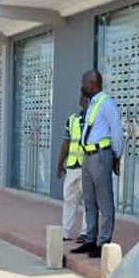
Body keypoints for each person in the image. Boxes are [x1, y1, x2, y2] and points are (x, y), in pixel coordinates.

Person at [71, 70, 125, 259]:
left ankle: (104, 242)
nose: (82, 86)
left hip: (101, 155)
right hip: (88, 156)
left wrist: (117, 156)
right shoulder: (92, 104)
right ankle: (90, 239)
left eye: (84, 83)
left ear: (93, 83)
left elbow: (117, 131)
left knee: (104, 201)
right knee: (89, 200)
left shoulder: (106, 103)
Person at [56, 94, 89, 242]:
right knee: (69, 199)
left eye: (86, 98)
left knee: (88, 201)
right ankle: (66, 231)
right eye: (82, 98)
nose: (83, 100)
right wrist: (60, 164)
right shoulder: (73, 120)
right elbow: (66, 143)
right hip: (72, 166)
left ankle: (85, 233)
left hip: (87, 167)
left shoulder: (95, 120)